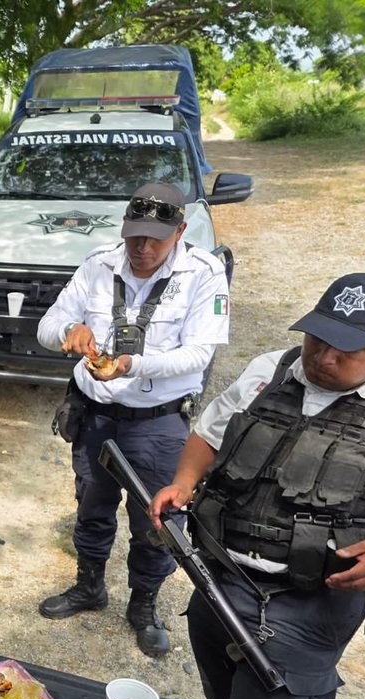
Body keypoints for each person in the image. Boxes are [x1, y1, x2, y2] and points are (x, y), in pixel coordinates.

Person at [149, 274, 365, 699]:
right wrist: (184, 482)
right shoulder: (270, 369)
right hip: (220, 575)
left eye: (345, 350)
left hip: (310, 601)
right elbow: (210, 430)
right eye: (318, 339)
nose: (323, 356)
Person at [35, 182, 231, 657]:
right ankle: (89, 586)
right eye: (133, 237)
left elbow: (199, 354)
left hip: (158, 421)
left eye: (154, 239)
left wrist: (132, 363)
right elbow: (46, 327)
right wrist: (69, 329)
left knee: (155, 519)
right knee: (92, 504)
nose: (141, 249)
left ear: (180, 230)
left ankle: (144, 604)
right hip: (95, 414)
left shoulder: (203, 273)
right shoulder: (99, 264)